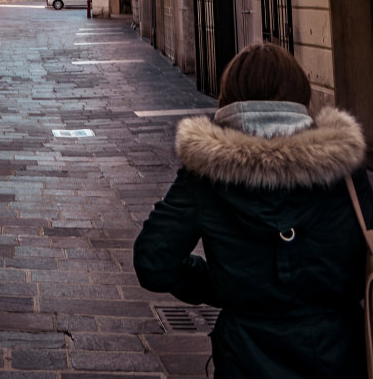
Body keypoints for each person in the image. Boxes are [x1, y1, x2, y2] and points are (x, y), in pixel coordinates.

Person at [133, 42, 372, 378]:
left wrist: (220, 285)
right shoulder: (346, 169)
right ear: (300, 94)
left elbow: (153, 262)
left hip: (245, 354)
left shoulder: (207, 175)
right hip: (337, 352)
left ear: (229, 95)